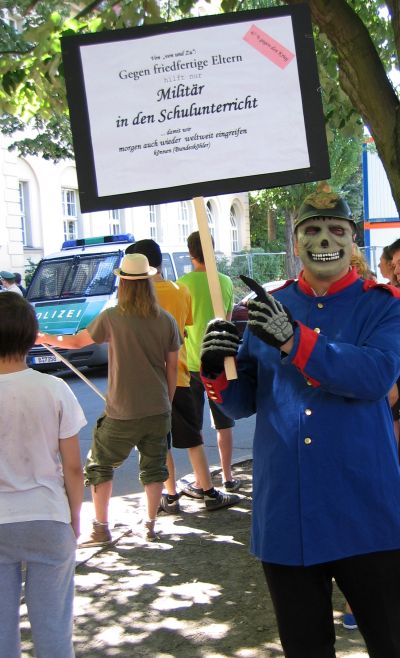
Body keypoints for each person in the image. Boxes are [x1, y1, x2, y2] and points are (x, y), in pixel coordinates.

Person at [200, 186, 400, 658]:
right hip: (288, 509)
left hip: (366, 508)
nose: (323, 238)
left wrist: (295, 340)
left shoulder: (384, 305)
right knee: (305, 648)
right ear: (296, 243)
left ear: (353, 242)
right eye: (311, 229)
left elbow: (373, 375)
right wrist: (216, 372)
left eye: (336, 229)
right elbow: (241, 402)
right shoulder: (267, 305)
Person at [36, 253, 181, 545]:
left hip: (122, 411)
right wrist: (166, 402)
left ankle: (101, 529)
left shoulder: (113, 317)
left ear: (123, 283)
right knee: (154, 468)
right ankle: (150, 525)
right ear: (149, 282)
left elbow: (76, 342)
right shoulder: (165, 320)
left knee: (100, 466)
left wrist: (42, 337)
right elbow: (173, 367)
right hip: (158, 409)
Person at [0, 291, 86, 658]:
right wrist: (75, 517)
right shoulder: (55, 388)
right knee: (53, 632)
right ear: (32, 334)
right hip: (48, 517)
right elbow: (73, 467)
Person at [127, 239, 240, 512]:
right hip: (196, 368)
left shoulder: (136, 297)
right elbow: (204, 325)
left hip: (166, 374)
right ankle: (218, 483)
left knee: (161, 438)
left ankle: (171, 493)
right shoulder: (196, 287)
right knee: (199, 433)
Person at [177, 231, 240, 495]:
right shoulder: (224, 282)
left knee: (194, 427)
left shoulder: (182, 285)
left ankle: (203, 481)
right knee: (224, 423)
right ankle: (227, 476)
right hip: (219, 363)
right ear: (212, 250)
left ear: (190, 254)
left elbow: (180, 327)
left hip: (191, 363)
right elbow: (227, 320)